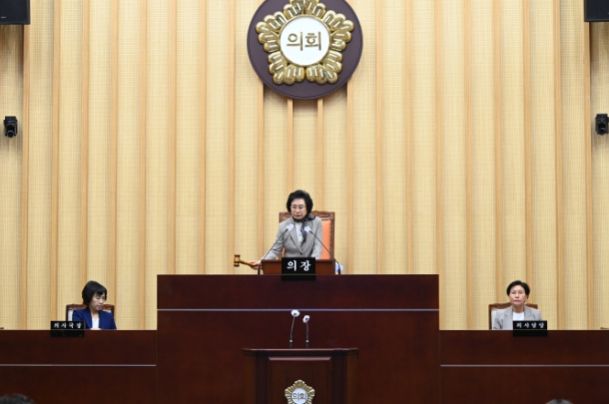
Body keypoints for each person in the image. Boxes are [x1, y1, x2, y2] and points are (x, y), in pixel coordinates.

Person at [249, 189, 323, 268]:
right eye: (294, 207)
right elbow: (275, 250)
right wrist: (262, 261)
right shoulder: (284, 226)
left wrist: (309, 266)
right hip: (289, 268)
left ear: (307, 208)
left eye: (301, 207)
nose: (297, 211)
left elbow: (317, 249)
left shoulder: (316, 222)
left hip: (309, 267)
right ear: (289, 208)